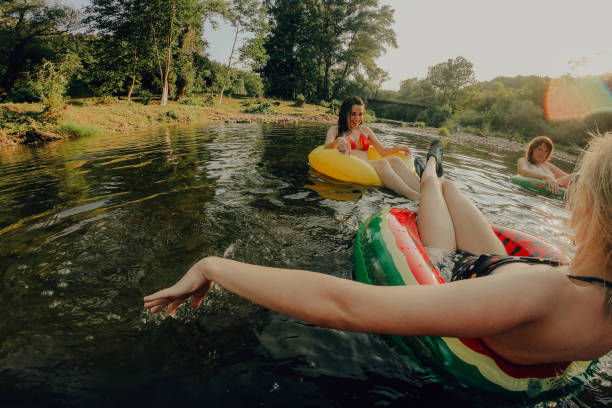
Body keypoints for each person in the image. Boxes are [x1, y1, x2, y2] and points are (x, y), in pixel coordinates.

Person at [144, 133, 612, 366]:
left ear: (587, 207)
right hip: (512, 267)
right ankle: (433, 170)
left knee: (437, 186)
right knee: (452, 194)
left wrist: (212, 265)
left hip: (457, 267)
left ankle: (430, 168)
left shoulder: (540, 296)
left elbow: (342, 306)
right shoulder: (589, 299)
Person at [323, 96, 421, 200]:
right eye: (353, 114)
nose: (357, 118)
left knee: (396, 160)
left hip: (369, 165)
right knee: (383, 163)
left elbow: (383, 151)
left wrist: (398, 148)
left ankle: (424, 191)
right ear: (345, 113)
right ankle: (414, 197)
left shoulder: (366, 130)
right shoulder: (336, 130)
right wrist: (339, 140)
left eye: (360, 114)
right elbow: (326, 148)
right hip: (354, 165)